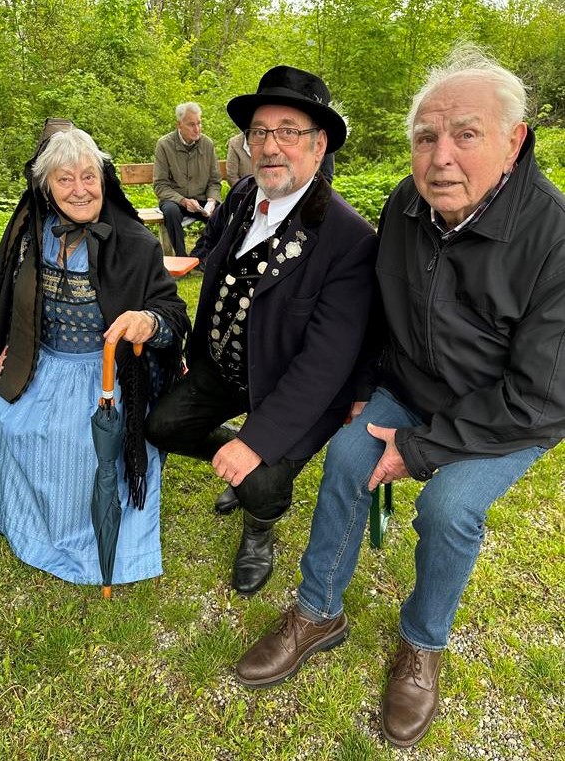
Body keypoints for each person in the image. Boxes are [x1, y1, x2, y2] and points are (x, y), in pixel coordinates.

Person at [234, 45, 565, 748]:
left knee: (448, 509)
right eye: (425, 136)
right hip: (410, 387)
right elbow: (376, 312)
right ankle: (318, 610)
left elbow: (542, 394)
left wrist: (417, 450)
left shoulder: (554, 236)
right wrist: (364, 390)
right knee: (346, 459)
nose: (441, 157)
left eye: (466, 134)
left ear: (514, 142)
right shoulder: (405, 205)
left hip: (507, 414)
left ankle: (422, 643)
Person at [145, 65, 378, 596]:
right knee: (162, 425)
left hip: (291, 388)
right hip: (222, 369)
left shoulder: (348, 238)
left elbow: (324, 364)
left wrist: (256, 443)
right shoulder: (244, 194)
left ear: (319, 146)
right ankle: (236, 458)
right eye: (259, 132)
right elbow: (214, 266)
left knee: (261, 478)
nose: (270, 146)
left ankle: (259, 527)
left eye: (288, 131)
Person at [0, 120, 190, 586]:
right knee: (5, 419)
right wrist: (14, 342)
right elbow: (7, 302)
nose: (79, 190)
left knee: (76, 443)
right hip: (43, 364)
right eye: (65, 178)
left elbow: (174, 313)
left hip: (104, 375)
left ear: (103, 180)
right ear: (47, 186)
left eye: (88, 177)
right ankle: (24, 522)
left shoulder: (136, 243)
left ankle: (84, 540)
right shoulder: (32, 236)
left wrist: (148, 321)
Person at [154, 102, 222, 257]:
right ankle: (181, 257)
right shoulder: (164, 145)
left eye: (199, 123)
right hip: (175, 200)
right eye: (191, 124)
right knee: (170, 211)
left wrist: (212, 200)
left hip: (202, 200)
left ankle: (201, 256)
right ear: (179, 125)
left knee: (222, 213)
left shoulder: (207, 144)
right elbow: (160, 185)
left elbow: (214, 181)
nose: (197, 129)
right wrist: (183, 201)